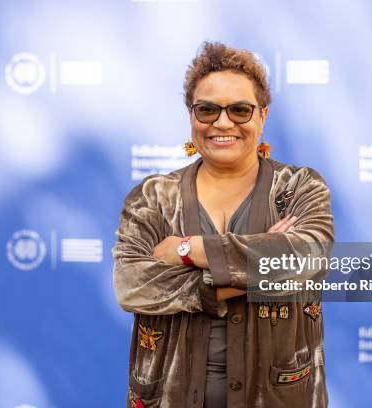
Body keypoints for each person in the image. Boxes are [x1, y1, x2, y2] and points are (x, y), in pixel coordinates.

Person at [112, 41, 334, 408]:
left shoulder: (299, 187)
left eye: (240, 110)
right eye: (208, 109)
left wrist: (186, 250)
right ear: (191, 116)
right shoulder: (152, 197)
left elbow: (308, 259)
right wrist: (251, 269)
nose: (223, 122)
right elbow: (131, 285)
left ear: (262, 116)